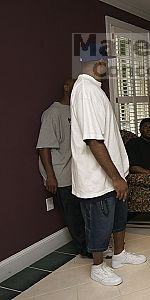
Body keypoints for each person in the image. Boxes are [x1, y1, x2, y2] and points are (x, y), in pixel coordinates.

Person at [71, 45, 146, 286]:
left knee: (118, 219)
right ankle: (98, 266)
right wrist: (115, 177)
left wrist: (118, 174)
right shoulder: (84, 91)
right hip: (98, 179)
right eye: (106, 60)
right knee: (99, 225)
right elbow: (93, 139)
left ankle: (120, 256)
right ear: (98, 61)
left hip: (113, 176)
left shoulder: (95, 89)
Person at [36, 79, 89, 257]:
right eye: (74, 85)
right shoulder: (53, 113)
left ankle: (91, 244)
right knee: (73, 215)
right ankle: (85, 249)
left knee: (82, 211)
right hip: (60, 174)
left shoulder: (76, 111)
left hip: (75, 172)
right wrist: (50, 176)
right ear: (66, 87)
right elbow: (44, 147)